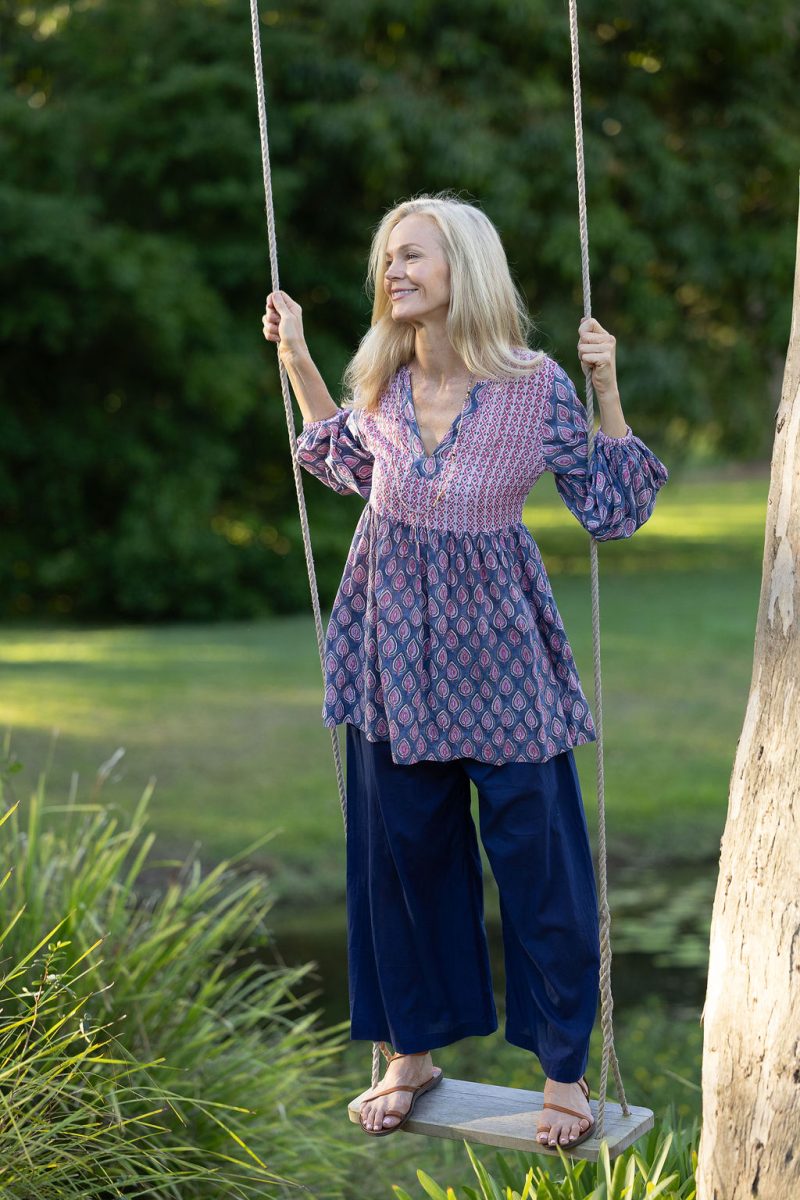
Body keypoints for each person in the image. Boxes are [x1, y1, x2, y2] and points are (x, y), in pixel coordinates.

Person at [262, 193, 669, 1148]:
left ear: (465, 270)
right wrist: (299, 363)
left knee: (540, 866)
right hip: (390, 656)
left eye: (413, 257)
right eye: (388, 259)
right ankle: (413, 1051)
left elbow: (611, 509)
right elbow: (347, 466)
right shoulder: (382, 382)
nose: (394, 271)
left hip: (503, 662)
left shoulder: (532, 388)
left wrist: (608, 392)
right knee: (404, 863)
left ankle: (563, 1071)